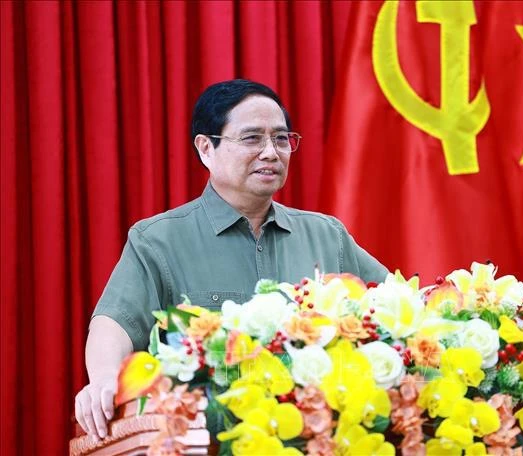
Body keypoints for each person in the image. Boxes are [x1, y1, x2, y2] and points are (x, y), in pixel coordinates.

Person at [74, 79, 388, 439]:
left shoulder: (326, 235)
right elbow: (115, 321)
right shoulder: (158, 239)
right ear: (206, 148)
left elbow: (395, 305)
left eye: (281, 139)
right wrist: (103, 380)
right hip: (209, 437)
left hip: (316, 436)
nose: (271, 152)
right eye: (252, 138)